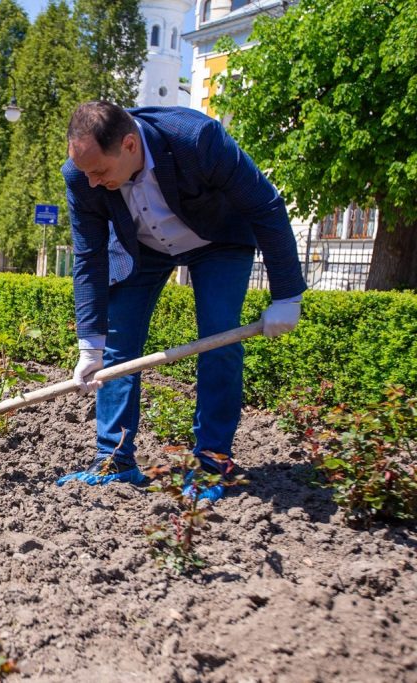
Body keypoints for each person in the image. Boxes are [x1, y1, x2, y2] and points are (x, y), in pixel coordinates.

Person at [57, 100, 306, 499]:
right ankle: (115, 460)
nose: (91, 182)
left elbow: (266, 205)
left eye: (100, 171)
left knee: (220, 338)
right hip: (143, 247)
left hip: (216, 240)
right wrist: (90, 344)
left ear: (129, 145)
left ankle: (211, 466)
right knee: (116, 349)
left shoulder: (196, 139)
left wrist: (287, 294)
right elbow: (89, 256)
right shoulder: (81, 174)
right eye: (85, 172)